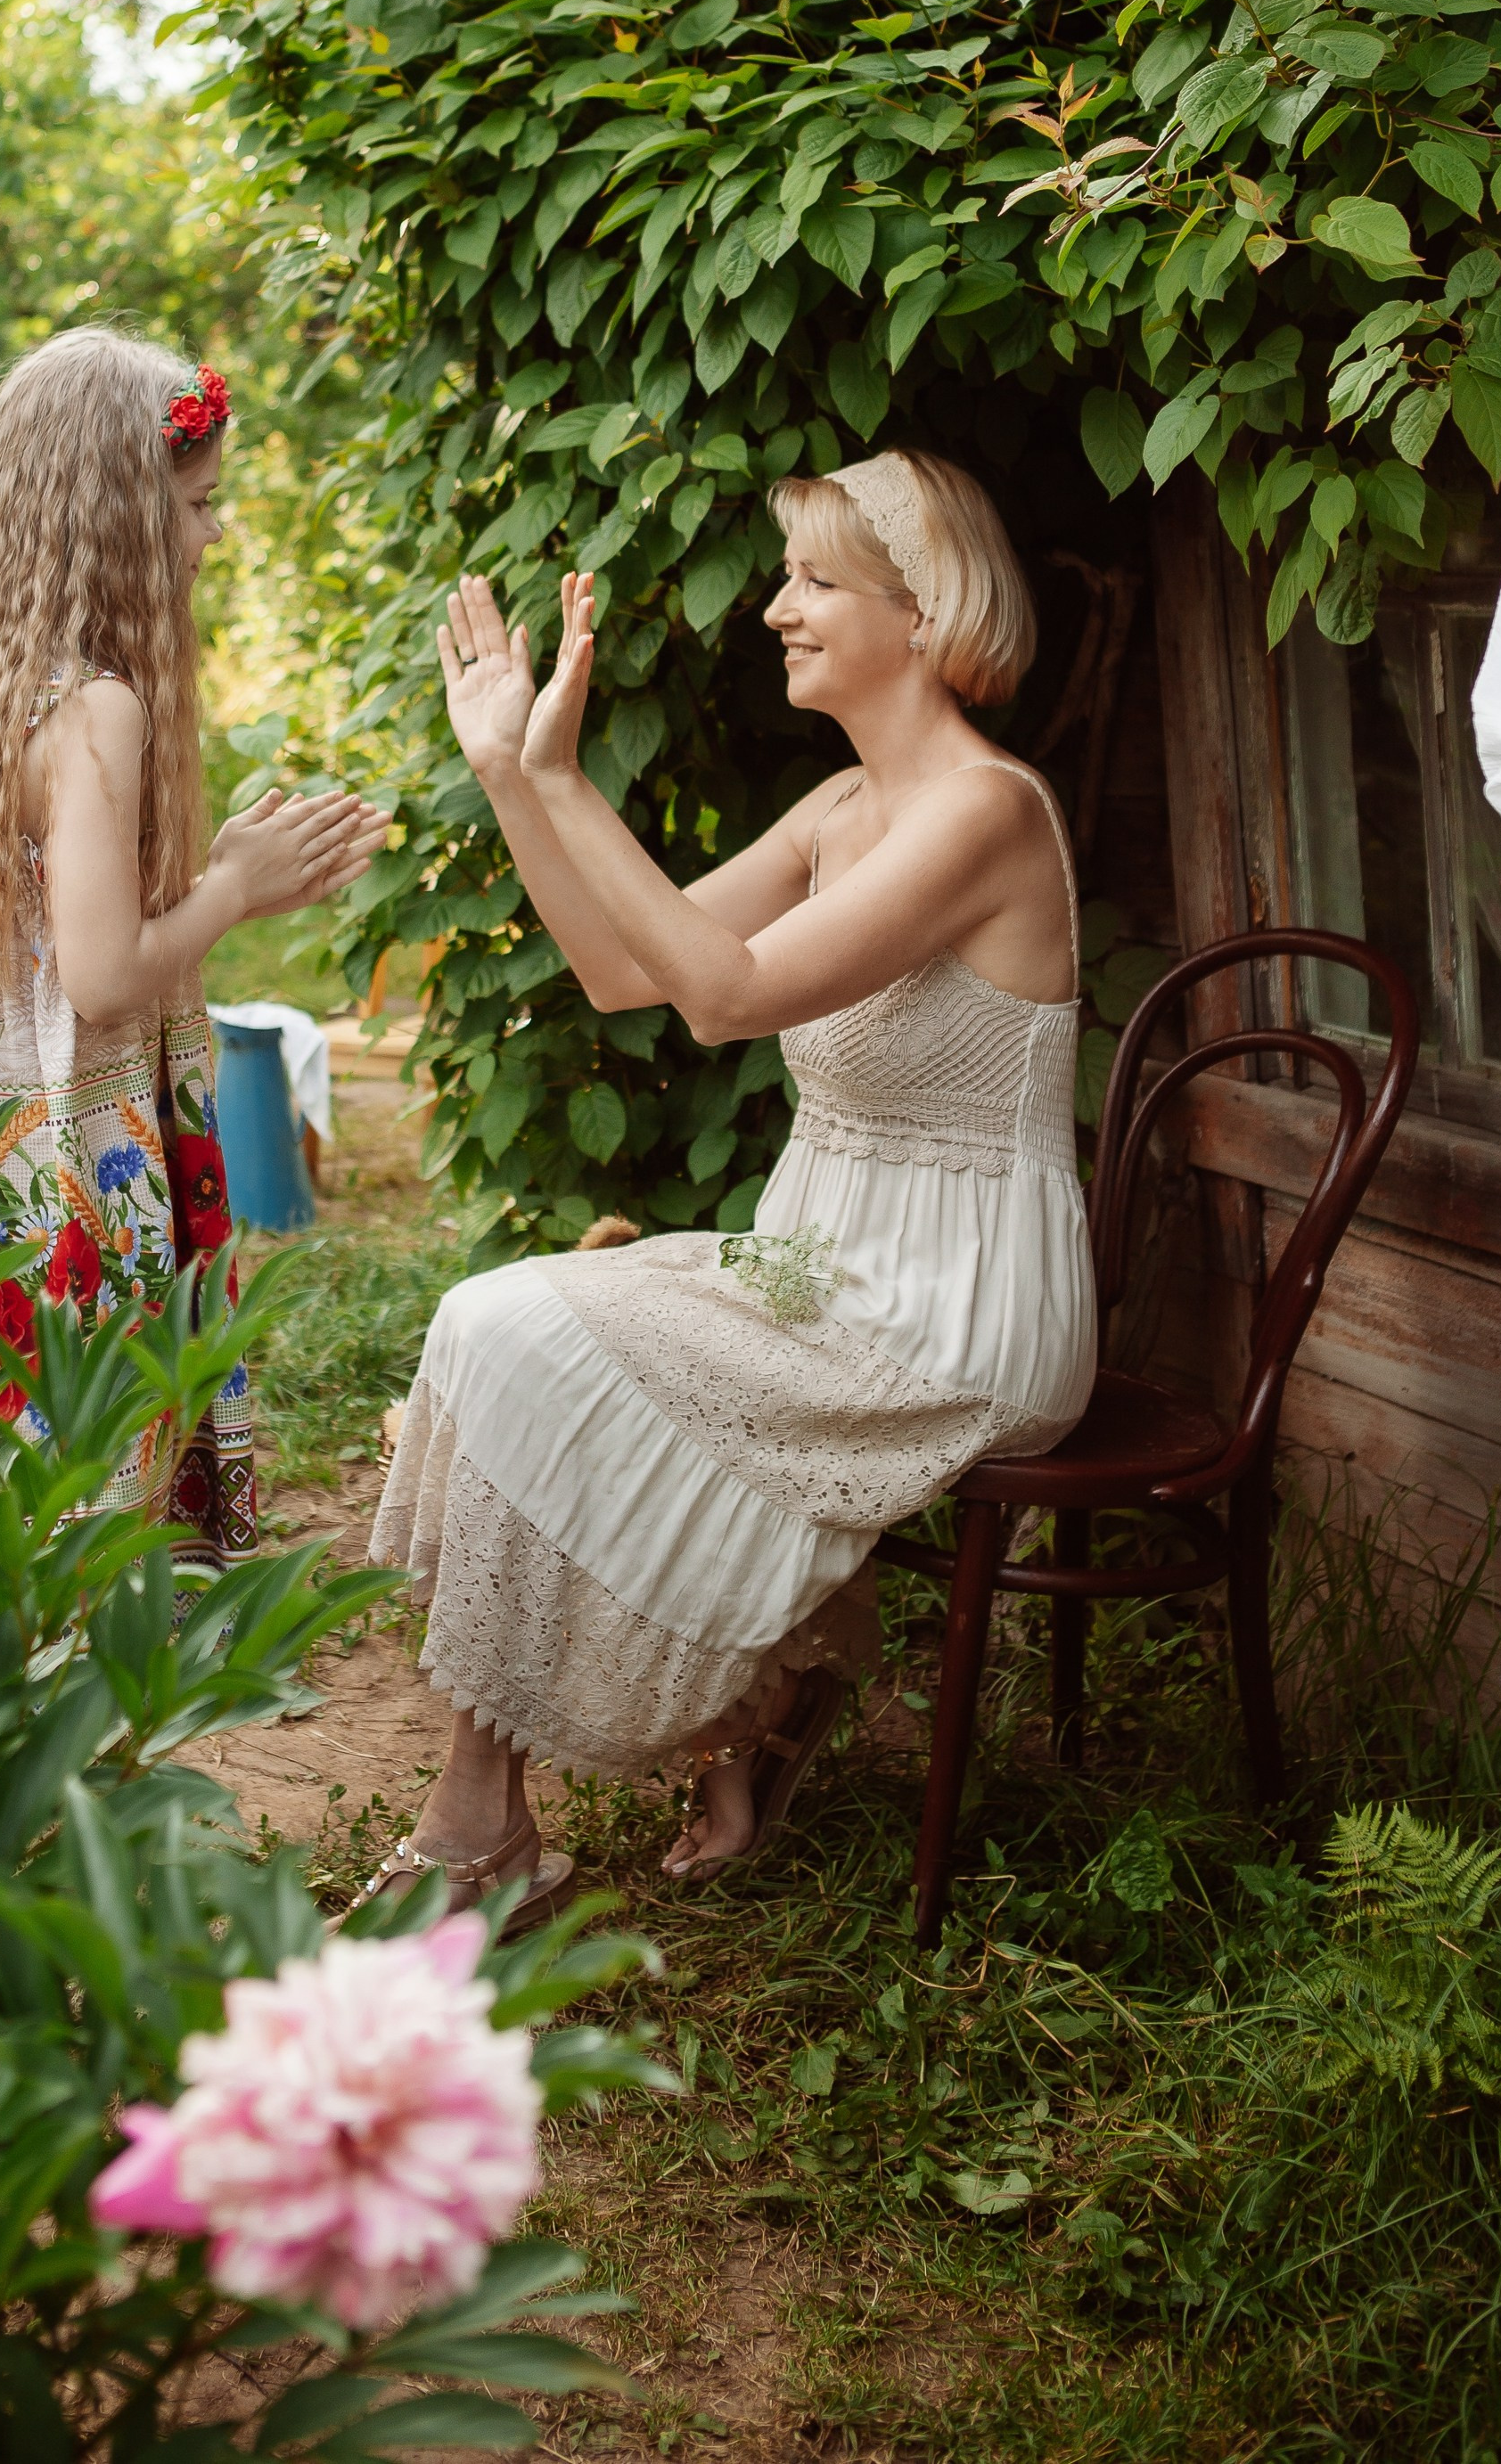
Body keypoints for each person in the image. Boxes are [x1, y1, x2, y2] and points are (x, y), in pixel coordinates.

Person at [365, 450, 1096, 1920]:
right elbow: (622, 972)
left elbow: (723, 997)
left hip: (954, 1305)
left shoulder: (985, 813)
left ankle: (534, 1809)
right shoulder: (840, 809)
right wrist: (513, 773)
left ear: (925, 608)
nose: (776, 608)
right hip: (821, 1261)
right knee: (499, 1328)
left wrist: (565, 776)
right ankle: (522, 1802)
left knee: (518, 1329)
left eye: (816, 581)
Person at [0, 328, 388, 1553]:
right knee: (81, 1425)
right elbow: (105, 974)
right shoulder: (97, 707)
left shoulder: (0, 678)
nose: (215, 536)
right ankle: (90, 1669)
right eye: (200, 505)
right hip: (69, 1135)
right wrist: (235, 888)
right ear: (118, 516)